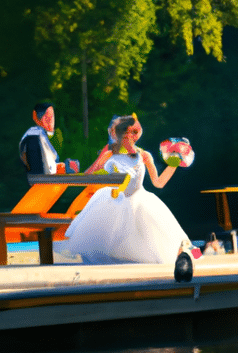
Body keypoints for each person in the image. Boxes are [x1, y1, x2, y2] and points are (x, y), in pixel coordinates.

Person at [61, 114, 195, 266]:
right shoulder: (109, 153)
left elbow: (158, 183)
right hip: (113, 199)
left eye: (133, 133)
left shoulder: (144, 156)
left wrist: (174, 162)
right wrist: (72, 172)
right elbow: (90, 175)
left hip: (140, 199)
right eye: (124, 132)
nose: (128, 137)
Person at [19, 102, 79, 175]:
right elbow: (41, 172)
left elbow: (48, 165)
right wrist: (65, 167)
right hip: (40, 183)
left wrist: (65, 166)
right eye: (47, 117)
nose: (51, 121)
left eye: (52, 116)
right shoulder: (34, 136)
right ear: (35, 117)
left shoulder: (40, 135)